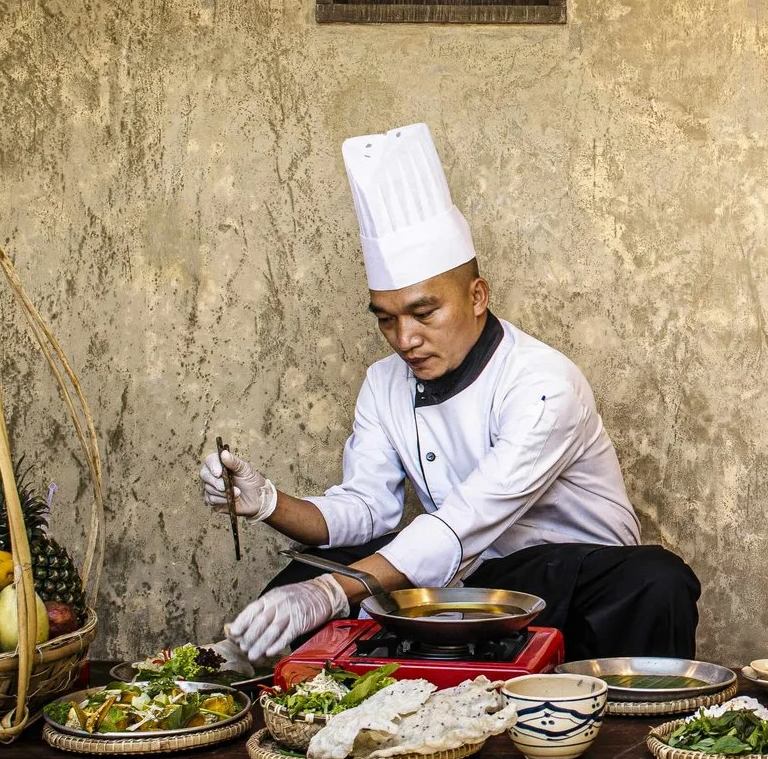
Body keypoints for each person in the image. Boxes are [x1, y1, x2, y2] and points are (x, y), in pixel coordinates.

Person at [206, 122, 699, 667]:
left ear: (477, 296)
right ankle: (259, 689)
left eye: (424, 313)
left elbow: (462, 519)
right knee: (314, 570)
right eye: (387, 320)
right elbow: (367, 508)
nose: (405, 339)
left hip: (567, 581)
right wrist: (269, 504)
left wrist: (331, 595)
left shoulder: (543, 384)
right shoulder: (382, 383)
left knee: (656, 578)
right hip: (464, 579)